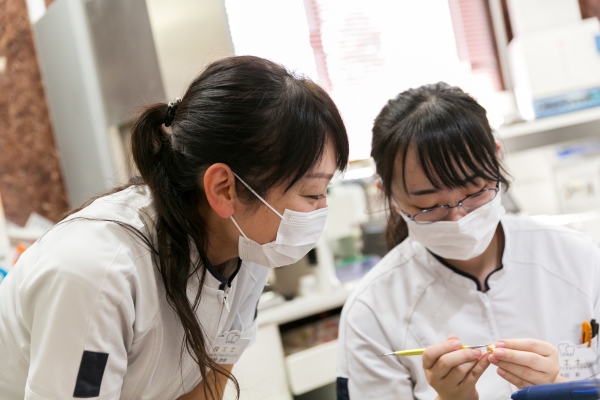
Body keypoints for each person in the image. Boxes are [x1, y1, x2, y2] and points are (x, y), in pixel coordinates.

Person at [0, 56, 349, 400]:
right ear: (223, 188)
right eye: (312, 193)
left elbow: (208, 387)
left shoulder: (249, 251)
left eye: (325, 190)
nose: (322, 210)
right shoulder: (99, 272)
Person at [336, 82, 600, 400]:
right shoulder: (372, 310)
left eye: (475, 192)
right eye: (429, 205)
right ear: (389, 195)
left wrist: (559, 388)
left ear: (496, 159)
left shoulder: (578, 258)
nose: (457, 219)